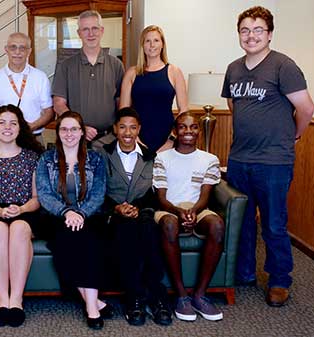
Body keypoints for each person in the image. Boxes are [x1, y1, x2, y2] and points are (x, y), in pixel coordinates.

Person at [221, 6, 314, 307]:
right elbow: (234, 106)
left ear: (270, 34)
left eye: (258, 29)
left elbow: (306, 109)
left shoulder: (283, 66)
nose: (251, 35)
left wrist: (295, 134)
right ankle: (245, 272)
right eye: (245, 30)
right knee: (243, 221)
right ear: (239, 35)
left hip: (274, 161)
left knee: (273, 223)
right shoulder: (234, 68)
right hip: (240, 159)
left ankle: (279, 280)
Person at [36, 111, 111, 330]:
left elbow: (98, 194)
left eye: (74, 129)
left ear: (82, 132)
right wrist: (66, 212)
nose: (69, 134)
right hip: (54, 217)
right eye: (64, 129)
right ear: (58, 133)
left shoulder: (95, 159)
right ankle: (93, 303)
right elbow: (44, 194)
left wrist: (80, 213)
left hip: (88, 216)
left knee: (87, 241)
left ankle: (91, 305)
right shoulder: (46, 159)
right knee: (65, 239)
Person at [100, 107, 172, 326]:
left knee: (149, 231)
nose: (127, 132)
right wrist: (117, 208)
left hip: (143, 213)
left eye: (132, 127)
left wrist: (137, 208)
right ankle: (135, 298)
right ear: (115, 129)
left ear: (139, 129)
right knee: (126, 230)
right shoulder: (102, 154)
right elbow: (97, 190)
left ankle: (157, 296)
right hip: (113, 215)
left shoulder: (151, 156)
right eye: (122, 127)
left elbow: (154, 192)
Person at [0, 104, 43, 327]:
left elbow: (36, 197)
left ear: (20, 127)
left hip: (25, 211)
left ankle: (16, 300)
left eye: (13, 123)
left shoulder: (33, 157)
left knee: (18, 228)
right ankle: (1, 300)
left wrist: (21, 209)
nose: (7, 127)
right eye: (2, 122)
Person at [153, 112, 224, 322]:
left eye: (193, 127)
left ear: (199, 131)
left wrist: (193, 211)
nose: (188, 131)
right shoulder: (162, 158)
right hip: (169, 208)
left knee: (217, 225)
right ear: (175, 131)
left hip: (198, 208)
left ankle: (200, 295)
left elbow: (205, 195)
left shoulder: (209, 159)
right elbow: (161, 197)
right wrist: (179, 212)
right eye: (182, 127)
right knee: (169, 225)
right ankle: (182, 296)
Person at [52, 10, 124, 145]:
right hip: (74, 139)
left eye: (94, 28)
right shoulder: (66, 66)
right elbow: (59, 103)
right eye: (85, 29)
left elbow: (121, 103)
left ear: (102, 31)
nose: (91, 34)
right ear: (79, 33)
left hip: (109, 140)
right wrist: (79, 127)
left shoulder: (116, 65)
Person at [119, 25, 187, 153]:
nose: (152, 45)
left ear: (162, 44)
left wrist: (172, 138)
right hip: (135, 139)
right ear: (142, 45)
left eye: (156, 40)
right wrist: (134, 139)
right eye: (147, 41)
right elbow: (123, 112)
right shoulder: (132, 73)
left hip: (167, 140)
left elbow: (183, 111)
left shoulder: (174, 72)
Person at [0, 32, 53, 144]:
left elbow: (48, 112)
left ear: (29, 51)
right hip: (2, 140)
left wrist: (31, 127)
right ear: (6, 50)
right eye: (13, 47)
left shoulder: (40, 77)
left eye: (22, 48)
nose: (17, 52)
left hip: (33, 137)